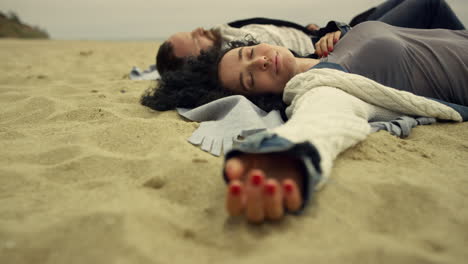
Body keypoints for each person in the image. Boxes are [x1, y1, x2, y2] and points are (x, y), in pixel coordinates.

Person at [142, 21, 468, 223]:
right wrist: (285, 156)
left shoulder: (333, 46)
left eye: (250, 52)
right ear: (263, 97)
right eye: (251, 79)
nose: (262, 60)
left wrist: (344, 32)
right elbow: (322, 118)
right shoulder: (322, 83)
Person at [156, 0, 465, 75]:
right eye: (195, 40)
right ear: (200, 59)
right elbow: (289, 59)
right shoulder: (236, 58)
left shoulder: (227, 29)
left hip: (329, 31)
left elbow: (279, 31)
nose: (198, 30)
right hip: (344, 41)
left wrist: (307, 31)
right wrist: (329, 36)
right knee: (429, 5)